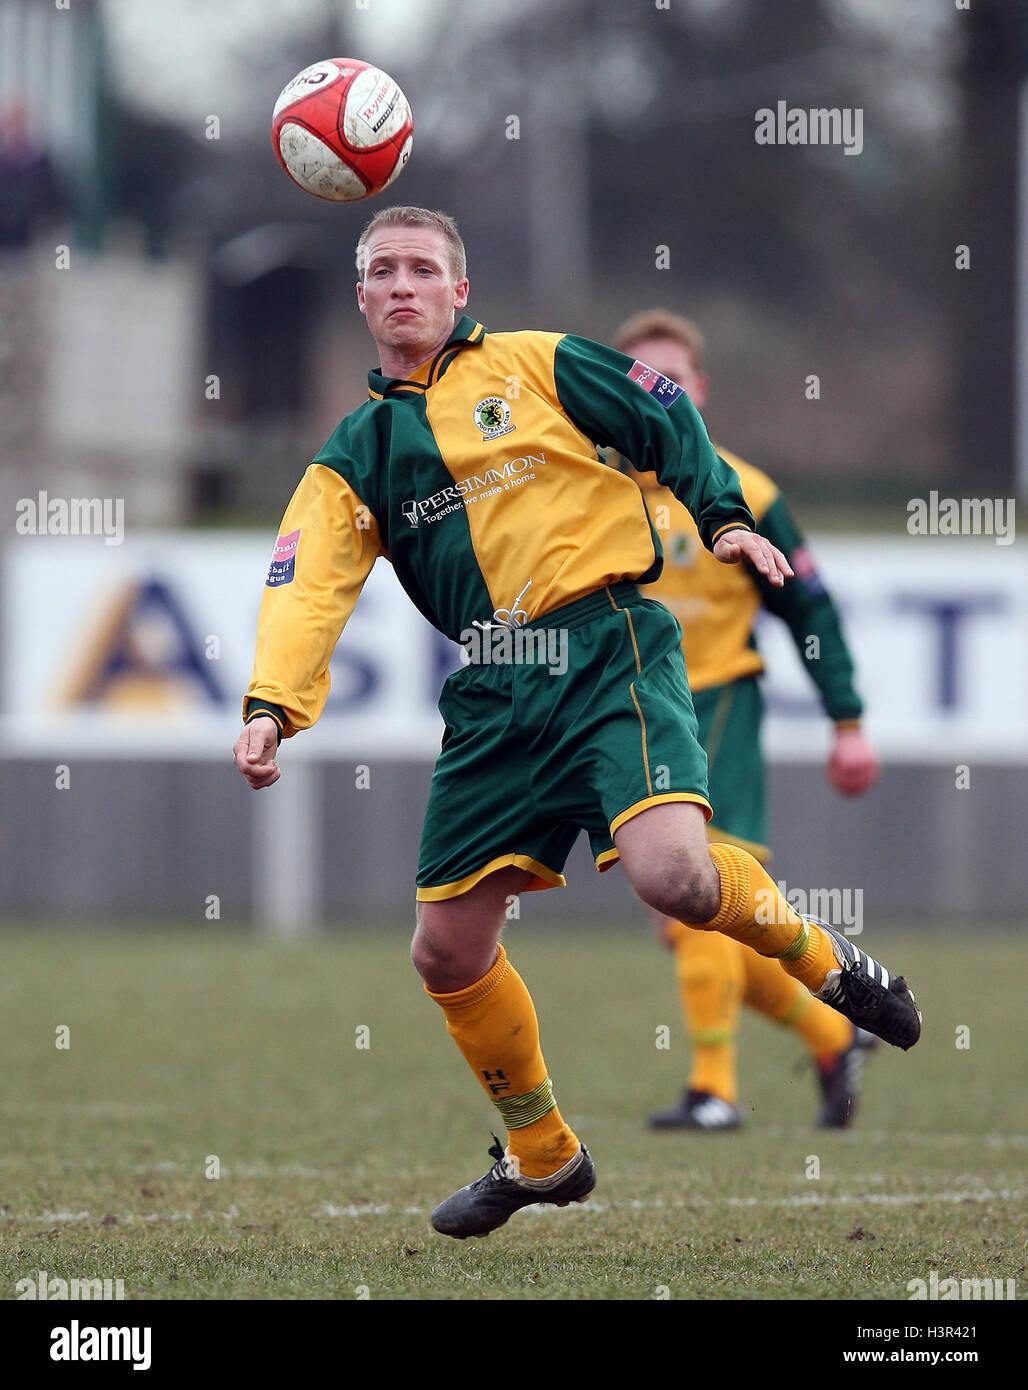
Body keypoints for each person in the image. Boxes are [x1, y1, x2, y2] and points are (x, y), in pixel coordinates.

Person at [233, 207, 921, 1241]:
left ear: (460, 292)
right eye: (383, 271)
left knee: (674, 878)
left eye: (424, 268)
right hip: (494, 690)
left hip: (606, 647)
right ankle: (545, 1155)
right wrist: (270, 705)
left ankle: (824, 966)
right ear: (362, 298)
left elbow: (664, 414)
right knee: (444, 950)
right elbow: (306, 581)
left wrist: (721, 514)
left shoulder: (540, 363)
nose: (403, 284)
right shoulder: (354, 454)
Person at [612, 309, 880, 1131]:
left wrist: (847, 719)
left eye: (672, 381)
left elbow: (810, 610)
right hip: (623, 719)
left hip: (714, 706)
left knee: (701, 886)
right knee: (690, 919)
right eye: (638, 381)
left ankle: (713, 1091)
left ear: (698, 392)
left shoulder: (745, 493)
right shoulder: (588, 490)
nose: (656, 395)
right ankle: (835, 1033)